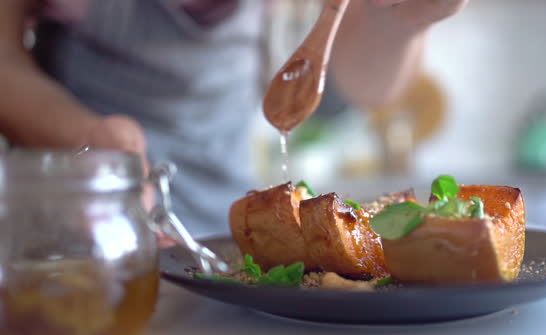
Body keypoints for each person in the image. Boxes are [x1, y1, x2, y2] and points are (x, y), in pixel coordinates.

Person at [0, 0, 467, 237]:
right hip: (72, 231)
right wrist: (91, 138)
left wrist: (404, 21)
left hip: (224, 236)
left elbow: (369, 86)